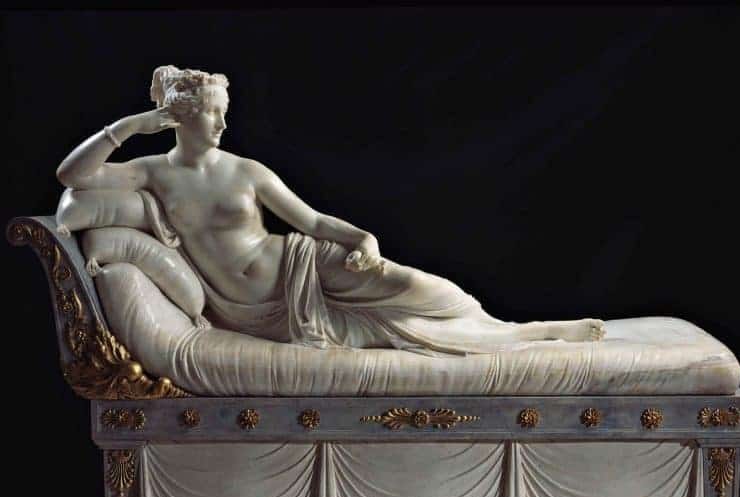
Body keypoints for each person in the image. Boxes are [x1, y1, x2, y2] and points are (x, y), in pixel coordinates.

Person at [56, 65, 605, 356]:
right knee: (394, 331)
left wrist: (362, 238)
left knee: (420, 290)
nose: (223, 124)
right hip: (257, 307)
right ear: (181, 117)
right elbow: (73, 178)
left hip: (302, 264)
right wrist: (129, 127)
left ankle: (523, 330)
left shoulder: (247, 171)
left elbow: (313, 221)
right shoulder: (151, 171)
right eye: (212, 113)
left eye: (225, 112)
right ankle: (531, 336)